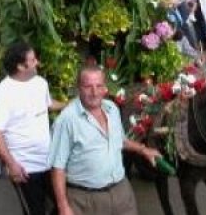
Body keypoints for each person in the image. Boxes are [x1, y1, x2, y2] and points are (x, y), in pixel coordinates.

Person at [48, 67, 161, 215]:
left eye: (99, 86)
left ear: (105, 88)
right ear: (78, 88)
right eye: (88, 86)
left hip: (121, 192)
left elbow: (119, 140)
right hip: (85, 200)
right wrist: (63, 207)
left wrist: (143, 149)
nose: (94, 92)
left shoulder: (111, 108)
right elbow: (57, 167)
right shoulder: (67, 120)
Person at [0, 42, 64, 215]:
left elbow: (49, 104)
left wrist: (70, 104)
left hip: (49, 162)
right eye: (33, 60)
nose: (37, 62)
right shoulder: (2, 94)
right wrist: (11, 164)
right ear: (21, 66)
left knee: (62, 206)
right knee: (35, 211)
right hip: (25, 169)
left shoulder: (40, 82)